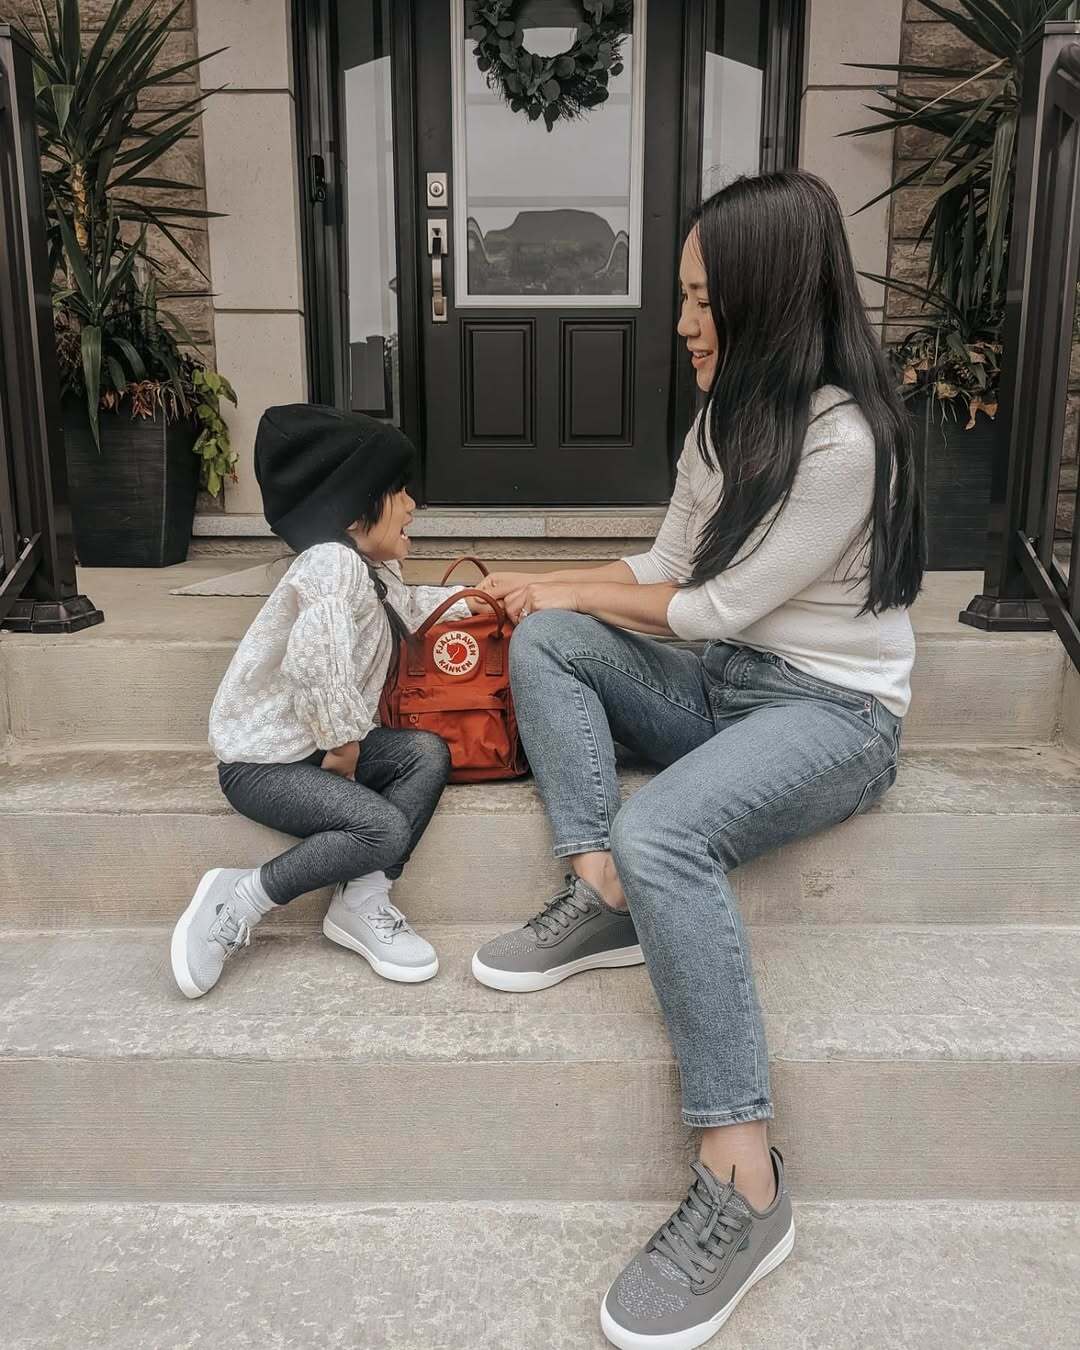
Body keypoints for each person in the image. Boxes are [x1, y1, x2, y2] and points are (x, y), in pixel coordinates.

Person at [470, 171, 924, 1349]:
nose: (681, 323)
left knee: (665, 827)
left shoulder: (845, 443)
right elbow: (664, 564)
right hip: (725, 687)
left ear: (769, 298)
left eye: (701, 299)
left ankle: (745, 1179)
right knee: (551, 641)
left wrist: (560, 585)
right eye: (681, 297)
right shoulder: (723, 418)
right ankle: (599, 886)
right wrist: (541, 589)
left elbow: (712, 606)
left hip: (831, 712)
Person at [170, 405, 475, 999]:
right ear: (357, 509)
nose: (413, 505)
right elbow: (317, 653)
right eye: (400, 492)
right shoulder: (330, 563)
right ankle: (241, 898)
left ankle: (361, 897)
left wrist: (484, 598)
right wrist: (343, 744)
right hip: (264, 764)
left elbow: (416, 608)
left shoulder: (371, 573)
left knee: (425, 754)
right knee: (383, 828)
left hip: (312, 750)